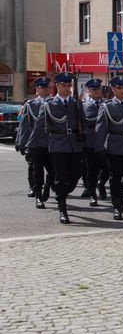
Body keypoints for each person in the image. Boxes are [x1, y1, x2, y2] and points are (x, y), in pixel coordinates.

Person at [27, 72, 85, 224]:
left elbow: (83, 124)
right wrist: (30, 146)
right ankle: (62, 208)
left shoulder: (76, 103)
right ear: (57, 86)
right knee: (60, 176)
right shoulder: (49, 104)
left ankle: (60, 193)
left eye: (69, 86)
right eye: (64, 86)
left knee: (75, 176)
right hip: (57, 145)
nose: (67, 88)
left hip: (74, 144)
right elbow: (39, 126)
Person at [95, 75, 123, 220]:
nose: (122, 90)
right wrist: (99, 148)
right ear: (113, 89)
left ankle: (117, 194)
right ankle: (117, 206)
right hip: (114, 144)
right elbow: (101, 128)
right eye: (118, 87)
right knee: (115, 177)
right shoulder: (107, 106)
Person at [17, 77, 53, 209]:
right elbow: (24, 125)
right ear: (37, 89)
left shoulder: (54, 102)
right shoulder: (30, 104)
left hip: (53, 142)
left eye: (47, 87)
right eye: (42, 87)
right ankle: (38, 196)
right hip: (36, 142)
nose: (45, 89)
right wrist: (22, 143)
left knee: (53, 171)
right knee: (37, 171)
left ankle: (48, 187)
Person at [82, 78, 107, 207]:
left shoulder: (107, 104)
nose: (97, 91)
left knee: (108, 168)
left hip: (105, 142)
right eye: (93, 89)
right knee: (91, 170)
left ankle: (101, 183)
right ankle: (92, 195)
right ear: (89, 92)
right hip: (90, 141)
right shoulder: (83, 105)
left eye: (98, 89)